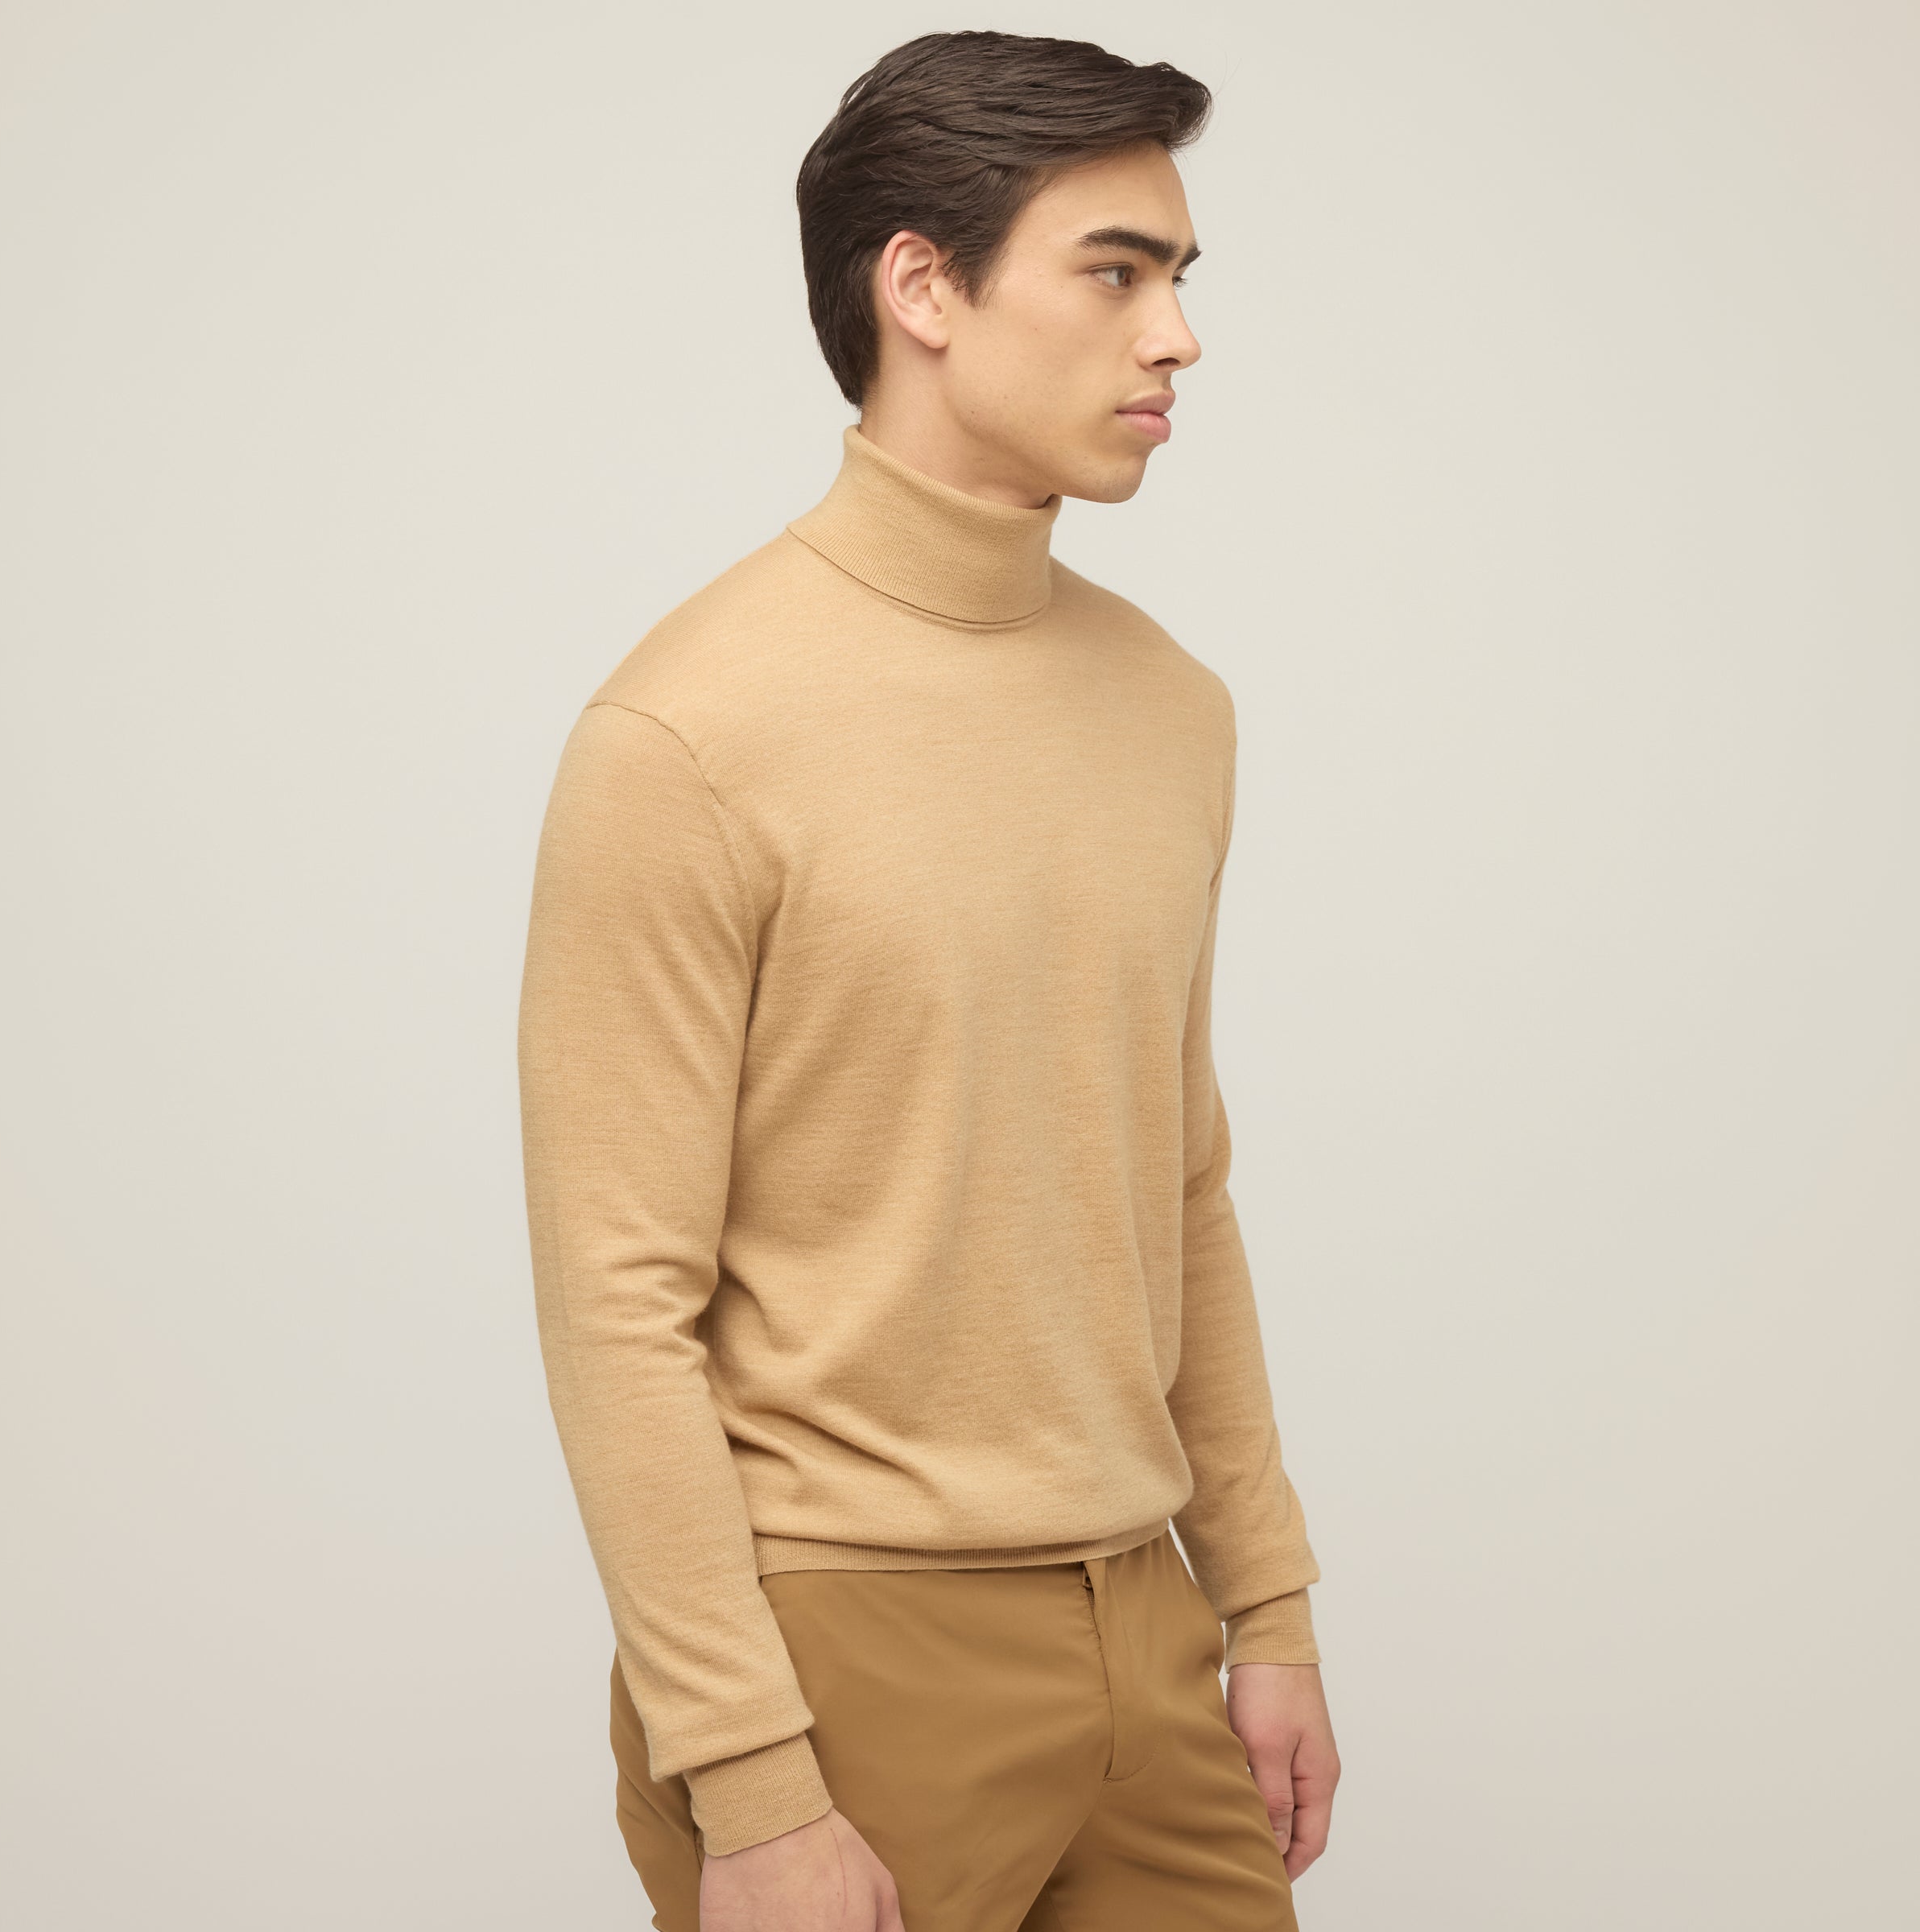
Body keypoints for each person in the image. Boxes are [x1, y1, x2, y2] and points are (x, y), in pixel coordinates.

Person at [518, 29, 1340, 1932]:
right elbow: (617, 1302)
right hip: (846, 1657)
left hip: (1150, 1630)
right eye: (1115, 272)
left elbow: (1180, 1187)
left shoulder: (1173, 709)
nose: (1175, 338)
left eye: (1178, 278)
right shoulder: (686, 736)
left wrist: (1268, 1605)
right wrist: (749, 1782)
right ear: (925, 288)